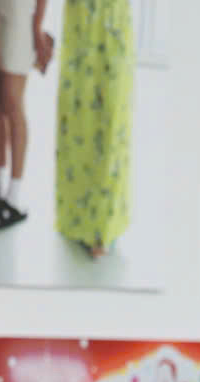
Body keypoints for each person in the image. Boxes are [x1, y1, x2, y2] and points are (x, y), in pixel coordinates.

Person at [53, 0, 129, 258]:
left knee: (109, 120)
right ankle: (75, 216)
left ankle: (101, 226)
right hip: (80, 23)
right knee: (77, 116)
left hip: (112, 20)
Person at [0, 0, 53, 231]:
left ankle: (14, 197)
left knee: (13, 106)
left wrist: (37, 28)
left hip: (18, 16)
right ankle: (0, 190)